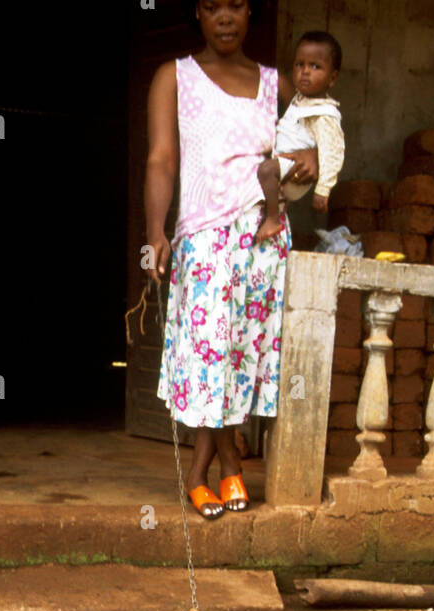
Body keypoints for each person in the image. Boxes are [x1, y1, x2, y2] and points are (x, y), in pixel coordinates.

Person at [145, 0, 319, 518]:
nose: (225, 17)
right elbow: (161, 159)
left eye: (236, 5)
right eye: (212, 6)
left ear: (251, 13)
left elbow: (317, 132)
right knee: (208, 352)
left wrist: (314, 157)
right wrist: (156, 229)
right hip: (202, 235)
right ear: (196, 13)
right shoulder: (173, 77)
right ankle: (228, 467)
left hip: (264, 237)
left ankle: (203, 469)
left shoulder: (276, 85)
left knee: (243, 354)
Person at [255, 31, 344, 244]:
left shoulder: (324, 113)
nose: (305, 72)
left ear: (332, 78)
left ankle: (272, 219)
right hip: (285, 163)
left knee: (266, 170)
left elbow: (333, 152)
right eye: (299, 65)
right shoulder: (300, 101)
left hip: (297, 168)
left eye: (315, 66)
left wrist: (323, 190)